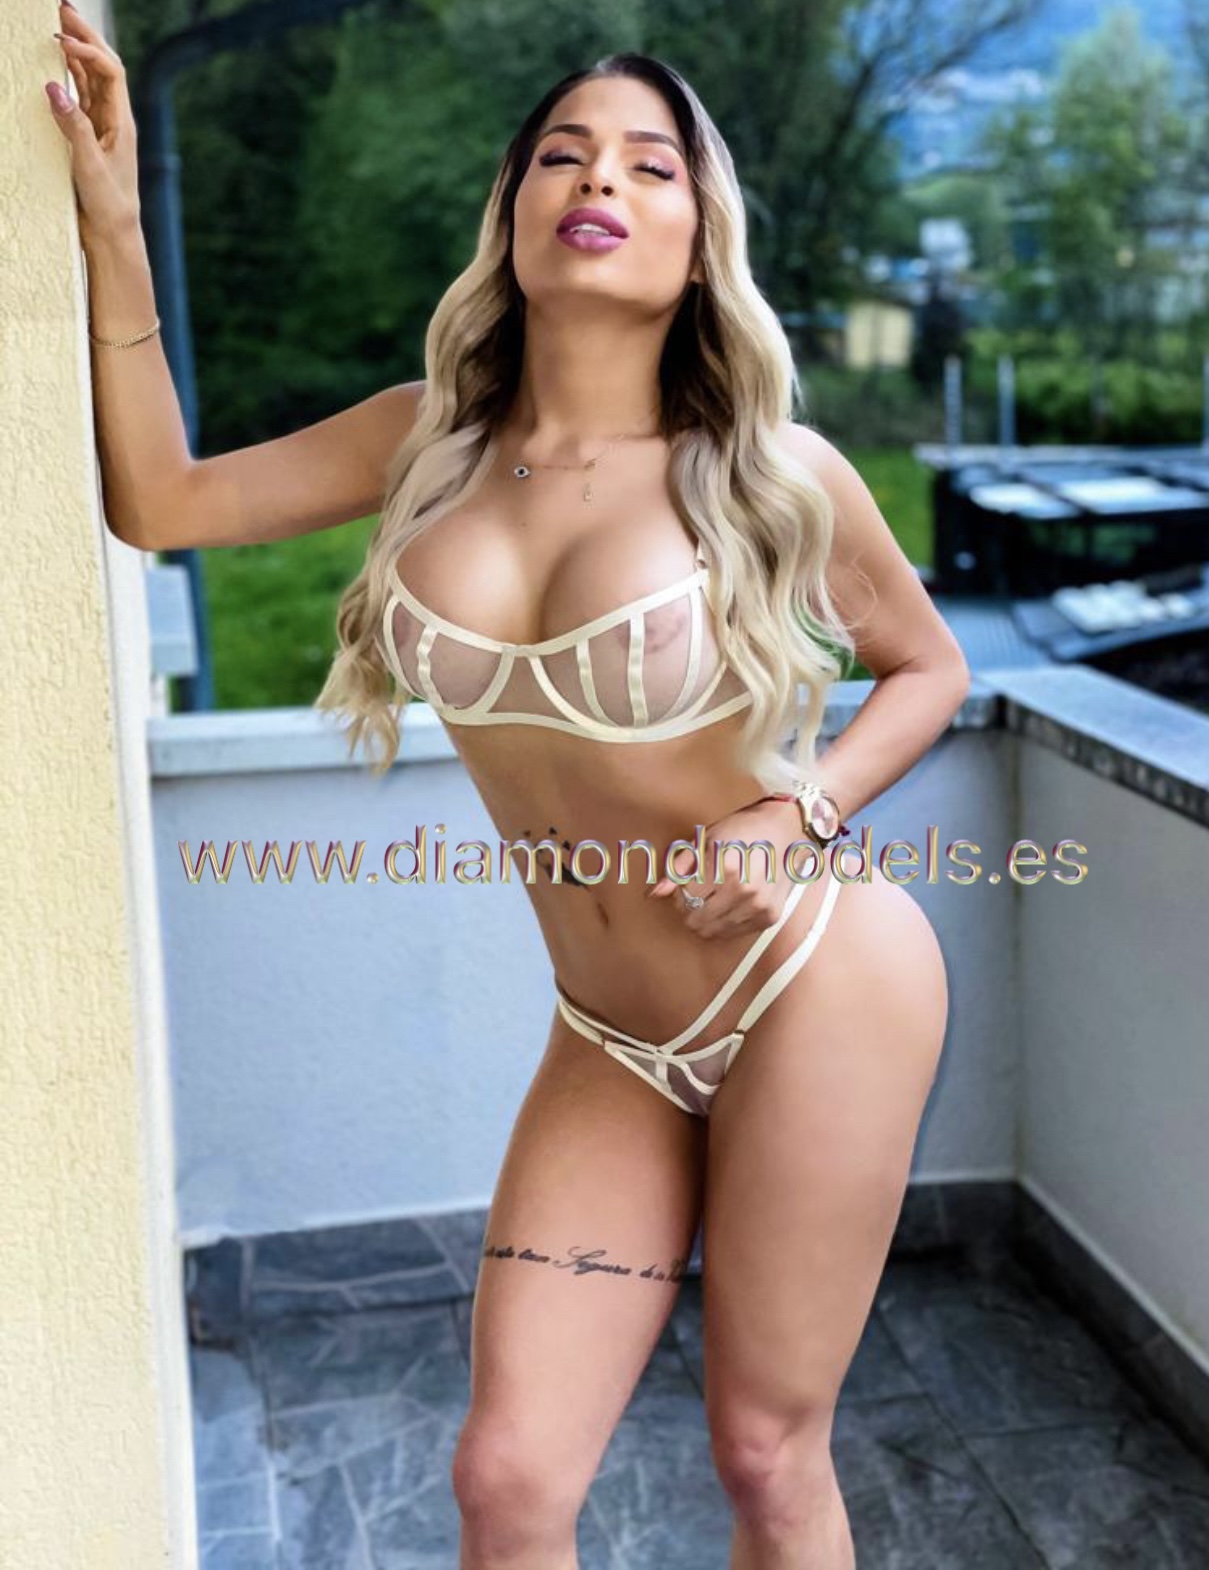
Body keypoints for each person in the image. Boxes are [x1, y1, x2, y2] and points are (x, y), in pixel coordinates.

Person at [49, 15, 968, 1565]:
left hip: (812, 978)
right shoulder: (424, 442)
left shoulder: (767, 469)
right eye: (562, 153)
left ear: (698, 238)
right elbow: (162, 499)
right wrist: (114, 226)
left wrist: (796, 810)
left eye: (648, 164)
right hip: (610, 1029)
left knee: (763, 1449)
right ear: (513, 209)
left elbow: (928, 667)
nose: (597, 179)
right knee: (508, 1476)